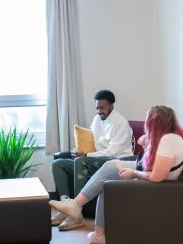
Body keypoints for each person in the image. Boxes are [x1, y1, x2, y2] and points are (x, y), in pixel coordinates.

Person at [49, 105, 183, 244]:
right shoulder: (171, 136)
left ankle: (84, 216)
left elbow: (157, 177)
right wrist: (148, 143)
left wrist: (133, 173)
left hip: (160, 187)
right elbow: (158, 165)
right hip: (160, 181)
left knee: (108, 180)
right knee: (111, 166)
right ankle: (77, 209)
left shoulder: (169, 140)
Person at [51, 90, 134, 231]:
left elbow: (113, 152)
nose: (99, 111)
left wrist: (86, 155)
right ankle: (67, 207)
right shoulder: (97, 120)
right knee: (58, 164)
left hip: (114, 161)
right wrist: (77, 151)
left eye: (102, 108)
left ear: (111, 106)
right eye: (97, 108)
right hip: (94, 159)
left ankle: (76, 215)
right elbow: (91, 143)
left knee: (80, 161)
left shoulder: (120, 123)